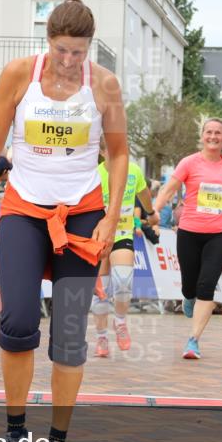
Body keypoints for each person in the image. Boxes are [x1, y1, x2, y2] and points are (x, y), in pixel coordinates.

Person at [0, 0, 126, 442]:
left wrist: (112, 217)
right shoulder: (19, 74)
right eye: (61, 50)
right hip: (24, 211)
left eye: (78, 53)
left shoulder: (103, 84)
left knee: (69, 333)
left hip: (82, 214)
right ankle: (14, 435)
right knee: (19, 323)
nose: (68, 61)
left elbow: (119, 154)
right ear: (48, 42)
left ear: (89, 48)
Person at [153, 118, 222, 359]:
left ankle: (193, 341)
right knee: (190, 285)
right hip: (189, 232)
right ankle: (188, 297)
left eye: (218, 133)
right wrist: (154, 212)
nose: (213, 136)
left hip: (220, 234)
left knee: (206, 285)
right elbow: (169, 189)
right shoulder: (189, 163)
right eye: (209, 132)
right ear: (202, 136)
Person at [91, 138, 156, 358]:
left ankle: (119, 322)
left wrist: (151, 212)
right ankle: (101, 337)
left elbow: (144, 194)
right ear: (102, 152)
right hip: (98, 238)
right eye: (113, 149)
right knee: (100, 293)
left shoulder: (134, 171)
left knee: (123, 281)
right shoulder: (94, 174)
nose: (120, 153)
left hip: (122, 234)